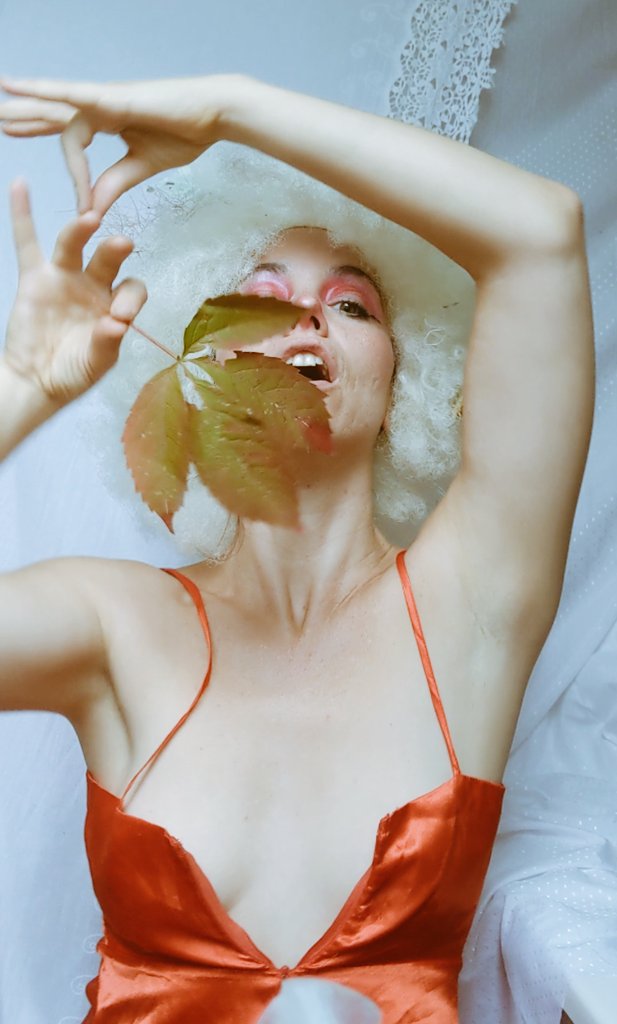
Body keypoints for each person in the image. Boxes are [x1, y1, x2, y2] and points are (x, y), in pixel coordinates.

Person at [0, 73, 594, 1023]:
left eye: (352, 306)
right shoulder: (111, 623)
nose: (306, 317)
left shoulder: (470, 603)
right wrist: (20, 389)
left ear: (403, 383)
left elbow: (540, 233)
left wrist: (231, 109)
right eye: (259, 300)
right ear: (198, 371)